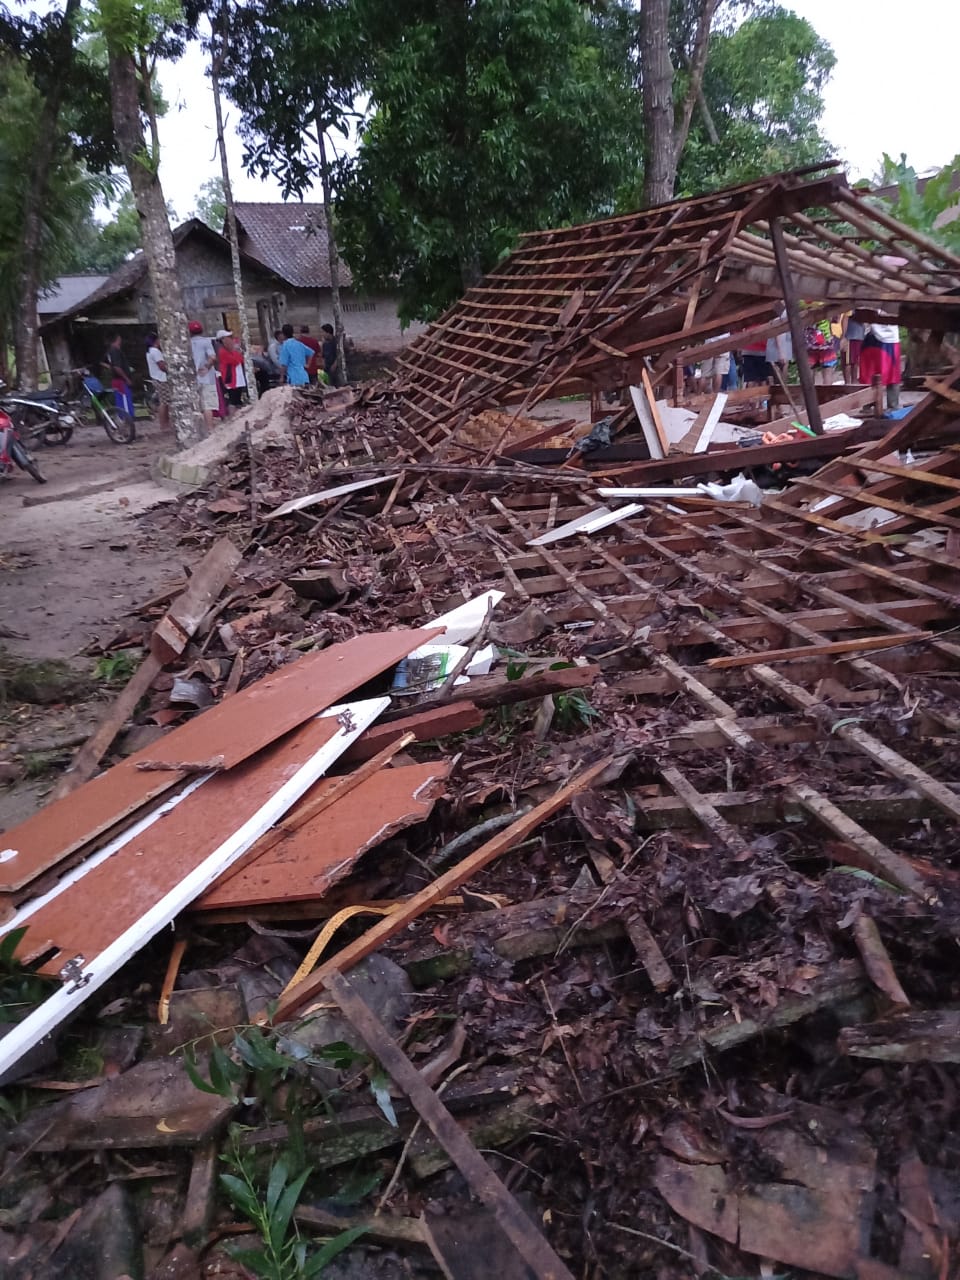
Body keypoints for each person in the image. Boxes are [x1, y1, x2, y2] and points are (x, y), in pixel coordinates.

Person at [860, 320, 902, 409]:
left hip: (889, 337)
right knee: (869, 372)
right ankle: (869, 402)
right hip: (872, 335)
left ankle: (893, 405)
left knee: (892, 373)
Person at [189, 320, 219, 430]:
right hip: (206, 378)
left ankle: (197, 430)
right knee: (208, 405)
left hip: (193, 379)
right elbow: (213, 357)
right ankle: (210, 428)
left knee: (196, 405)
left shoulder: (187, 343)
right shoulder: (206, 341)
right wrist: (206, 367)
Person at [104, 333, 134, 421]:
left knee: (120, 401)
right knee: (125, 403)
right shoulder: (114, 351)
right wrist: (126, 378)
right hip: (120, 380)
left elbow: (110, 365)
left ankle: (124, 422)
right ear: (117, 339)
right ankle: (127, 423)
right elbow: (117, 367)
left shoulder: (110, 351)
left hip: (117, 380)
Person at [216, 330, 246, 413]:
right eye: (228, 338)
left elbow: (241, 359)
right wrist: (237, 353)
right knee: (233, 399)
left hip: (238, 378)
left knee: (238, 398)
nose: (231, 339)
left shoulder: (231, 351)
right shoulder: (222, 352)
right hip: (231, 378)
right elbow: (235, 360)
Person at [145, 333, 170, 431]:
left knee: (164, 401)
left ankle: (165, 424)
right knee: (164, 402)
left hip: (156, 378)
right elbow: (161, 365)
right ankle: (164, 425)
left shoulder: (149, 351)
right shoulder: (155, 351)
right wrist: (169, 370)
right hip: (161, 378)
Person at [845, 313, 865, 382]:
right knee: (850, 362)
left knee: (852, 362)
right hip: (852, 334)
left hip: (854, 334)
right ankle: (850, 383)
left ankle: (852, 382)